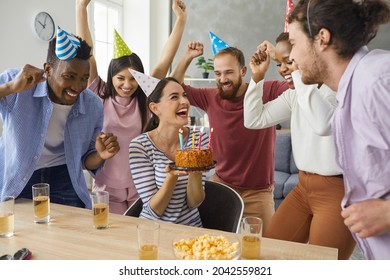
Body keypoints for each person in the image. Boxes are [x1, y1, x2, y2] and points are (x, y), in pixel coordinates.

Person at [288, 0, 390, 259]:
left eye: (293, 43)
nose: (291, 57)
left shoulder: (377, 82)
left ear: (322, 38)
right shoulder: (349, 93)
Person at [243, 32, 355, 259]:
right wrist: (257, 78)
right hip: (303, 188)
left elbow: (323, 124)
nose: (283, 69)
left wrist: (296, 73)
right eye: (279, 64)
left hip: (337, 191)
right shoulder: (295, 95)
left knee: (322, 266)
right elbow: (253, 120)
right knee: (266, 254)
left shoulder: (339, 90)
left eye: (289, 61)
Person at [76, 0, 188, 214]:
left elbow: (165, 60)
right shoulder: (99, 93)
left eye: (132, 79)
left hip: (141, 183)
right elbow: (87, 54)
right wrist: (81, 8)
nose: (127, 85)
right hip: (107, 184)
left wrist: (180, 20)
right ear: (111, 76)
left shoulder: (146, 99)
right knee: (111, 239)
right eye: (120, 78)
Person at [170, 42, 288, 230]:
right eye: (218, 73)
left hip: (258, 192)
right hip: (222, 184)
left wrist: (278, 58)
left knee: (264, 249)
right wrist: (186, 58)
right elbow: (173, 88)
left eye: (228, 72)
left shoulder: (266, 90)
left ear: (242, 71)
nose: (222, 79)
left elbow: (302, 86)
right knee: (215, 244)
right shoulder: (210, 97)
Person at [0, 28, 119, 209]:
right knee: (19, 233)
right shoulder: (17, 82)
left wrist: (101, 155)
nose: (77, 86)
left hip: (65, 175)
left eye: (84, 78)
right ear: (48, 69)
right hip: (19, 176)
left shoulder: (93, 105)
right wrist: (9, 87)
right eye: (69, 76)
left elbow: (87, 160)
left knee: (70, 233)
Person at [129, 77, 208, 226]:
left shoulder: (198, 140)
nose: (184, 101)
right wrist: (171, 177)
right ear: (155, 108)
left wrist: (195, 170)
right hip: (153, 230)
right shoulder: (140, 146)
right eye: (174, 97)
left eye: (184, 95)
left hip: (191, 230)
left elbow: (194, 202)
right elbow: (154, 210)